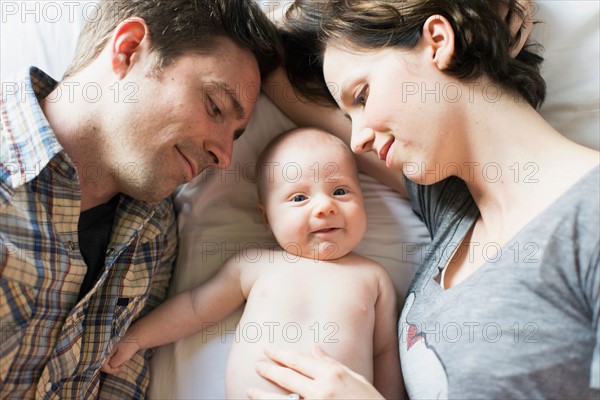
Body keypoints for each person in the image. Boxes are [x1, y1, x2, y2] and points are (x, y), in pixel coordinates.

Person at [248, 0, 600, 399]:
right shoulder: (453, 213)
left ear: (437, 40)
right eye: (348, 116)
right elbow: (273, 70)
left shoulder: (589, 213)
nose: (355, 139)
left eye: (362, 96)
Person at [0, 0, 280, 397]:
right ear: (128, 49)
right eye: (216, 106)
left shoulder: (154, 234)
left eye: (237, 135)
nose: (224, 158)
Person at [100, 127, 403, 399]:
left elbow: (386, 355)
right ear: (266, 218)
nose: (325, 207)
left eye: (340, 191)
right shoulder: (256, 265)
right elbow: (196, 307)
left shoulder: (372, 277)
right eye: (299, 198)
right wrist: (138, 337)